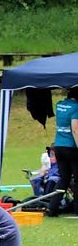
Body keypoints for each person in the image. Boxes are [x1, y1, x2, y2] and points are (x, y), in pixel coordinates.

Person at [47, 87, 78, 216]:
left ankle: (52, 207)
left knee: (63, 178)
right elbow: (75, 129)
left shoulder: (60, 105)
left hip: (58, 145)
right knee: (77, 179)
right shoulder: (76, 107)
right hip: (71, 147)